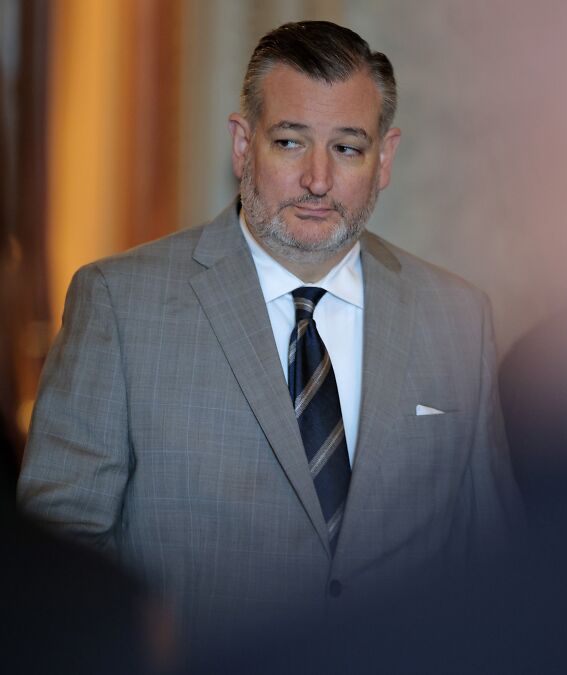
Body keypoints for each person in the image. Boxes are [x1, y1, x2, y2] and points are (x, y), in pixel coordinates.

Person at [17, 21, 523, 648]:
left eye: (347, 148)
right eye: (289, 142)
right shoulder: (121, 305)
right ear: (241, 143)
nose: (317, 179)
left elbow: (493, 570)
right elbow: (54, 572)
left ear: (384, 158)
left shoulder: (458, 318)